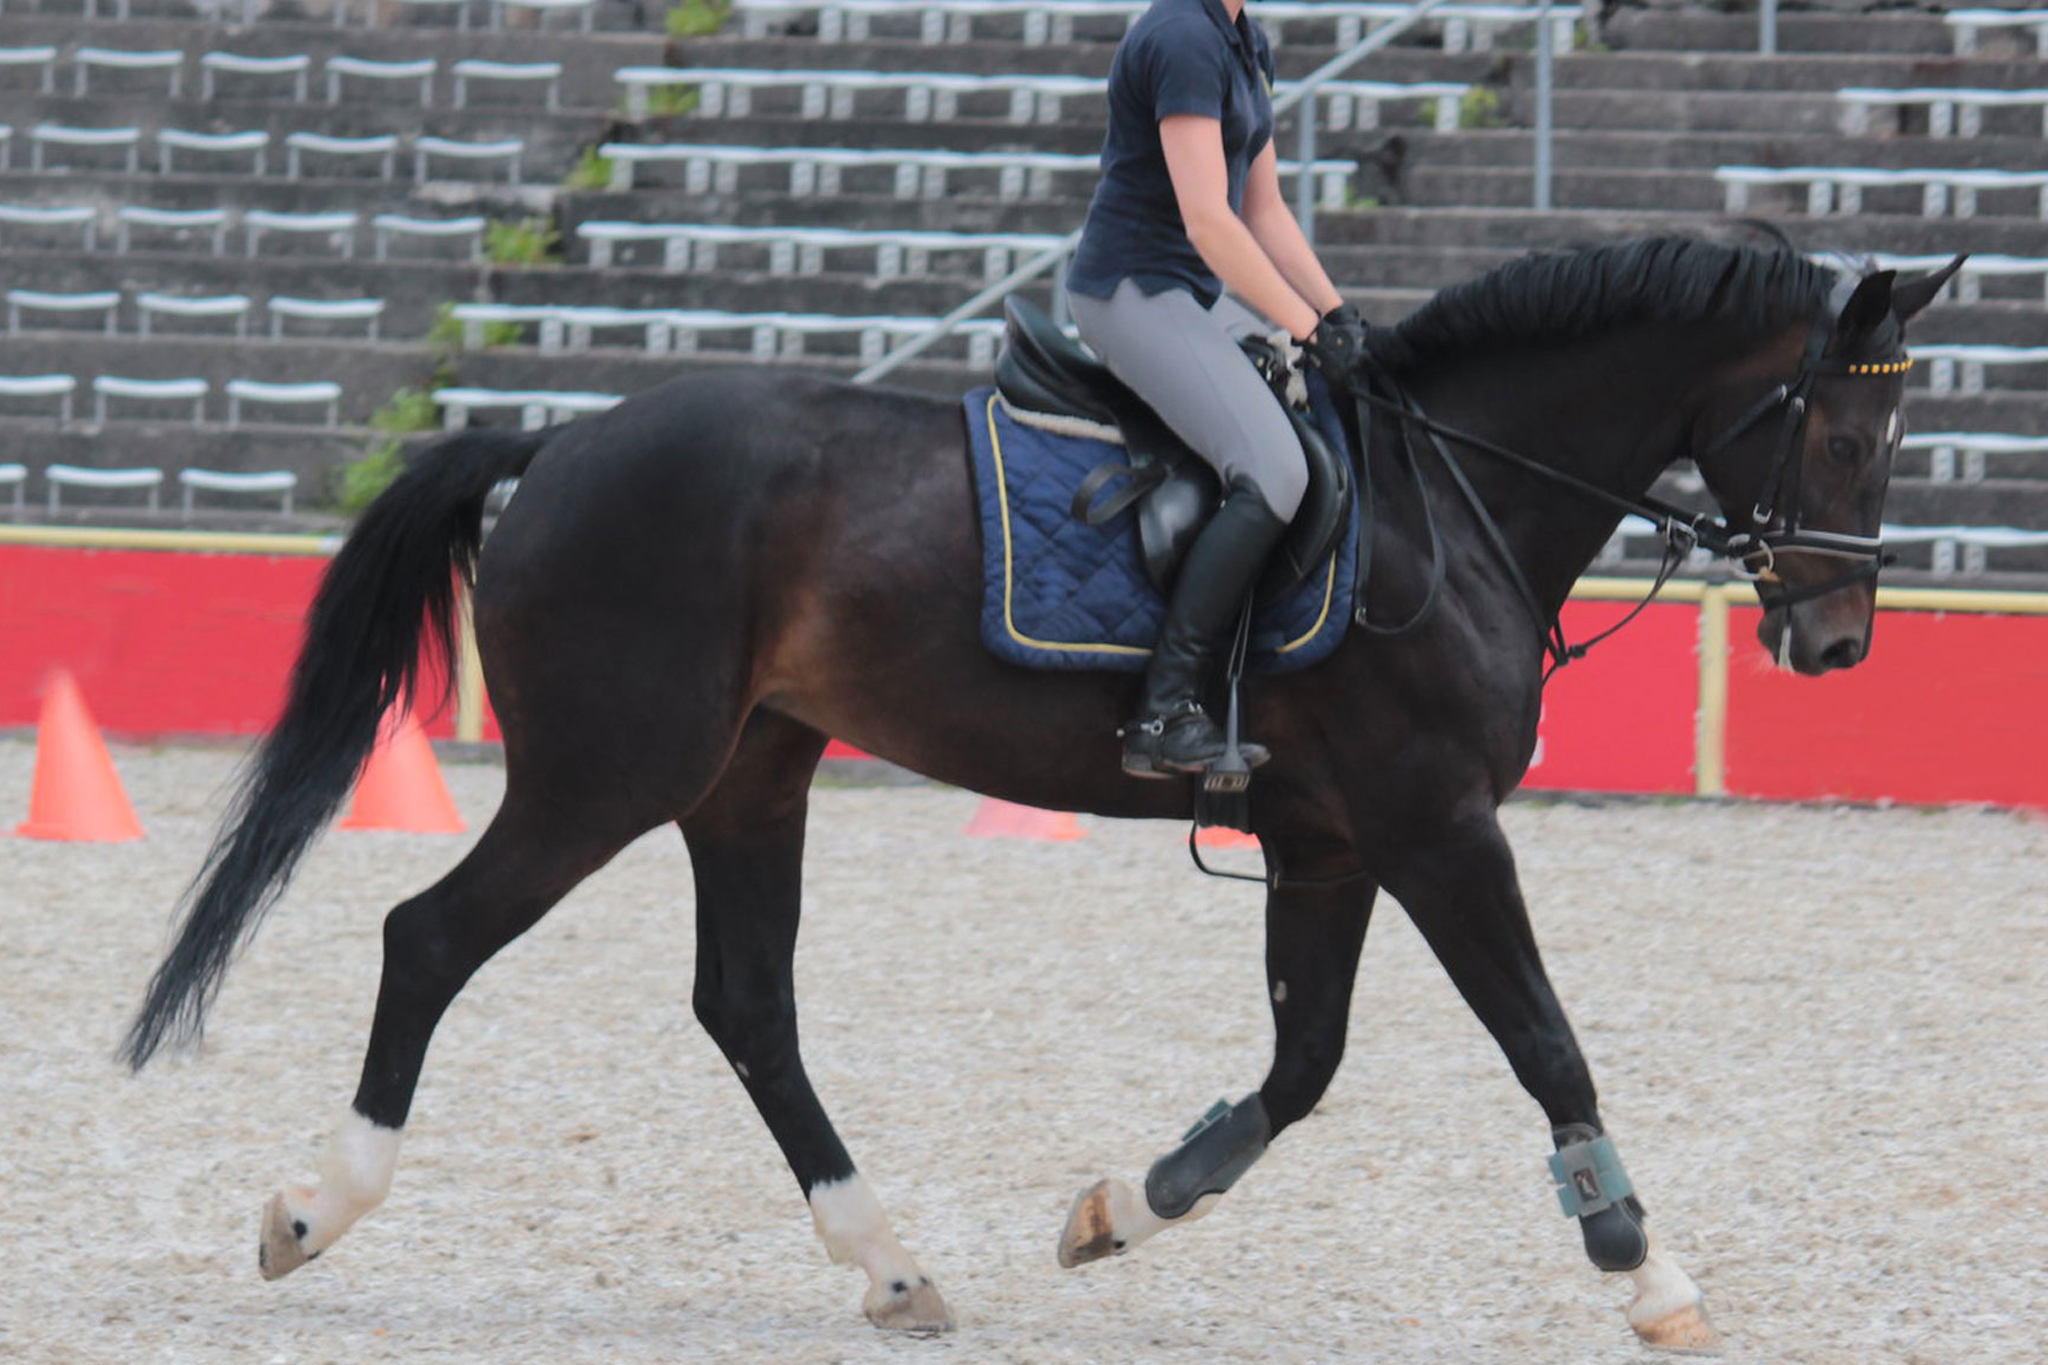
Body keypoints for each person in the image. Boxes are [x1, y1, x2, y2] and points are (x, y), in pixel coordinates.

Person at [1065, 0, 1366, 781]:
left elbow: (1263, 209)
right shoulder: (1183, 37)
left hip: (1196, 291)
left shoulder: (1242, 37)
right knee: (1275, 469)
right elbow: (1209, 221)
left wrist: (1336, 313)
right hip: (1132, 288)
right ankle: (1164, 708)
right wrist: (1302, 324)